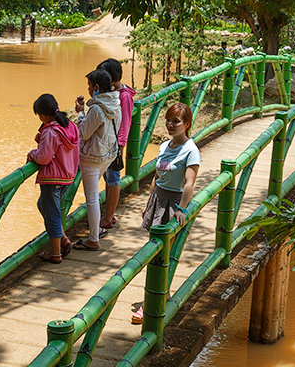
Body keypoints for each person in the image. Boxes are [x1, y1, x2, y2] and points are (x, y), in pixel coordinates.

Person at [138, 103, 200, 324]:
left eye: (176, 121)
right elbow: (156, 177)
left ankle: (151, 302)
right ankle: (160, 294)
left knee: (164, 254)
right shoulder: (164, 146)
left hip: (174, 202)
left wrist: (181, 209)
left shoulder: (191, 150)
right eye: (168, 120)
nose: (171, 125)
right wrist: (148, 203)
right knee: (154, 252)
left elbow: (189, 183)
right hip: (158, 199)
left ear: (187, 124)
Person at [27, 94, 80, 263]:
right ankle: (63, 239)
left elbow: (44, 157)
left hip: (53, 178)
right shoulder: (68, 125)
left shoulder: (50, 131)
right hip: (67, 175)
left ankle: (56, 253)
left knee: (52, 214)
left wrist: (32, 154)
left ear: (43, 115)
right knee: (44, 205)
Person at [73, 69, 121, 251]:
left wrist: (80, 113)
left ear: (96, 87)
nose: (87, 89)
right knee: (94, 196)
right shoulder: (116, 102)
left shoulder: (96, 108)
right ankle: (96, 229)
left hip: (92, 157)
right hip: (108, 154)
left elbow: (84, 133)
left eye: (89, 86)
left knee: (92, 199)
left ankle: (93, 238)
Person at [99, 58, 136, 232]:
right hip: (109, 143)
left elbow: (126, 122)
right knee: (109, 179)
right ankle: (109, 213)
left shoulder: (124, 96)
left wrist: (120, 146)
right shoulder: (115, 93)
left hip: (114, 145)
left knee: (113, 180)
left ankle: (107, 217)